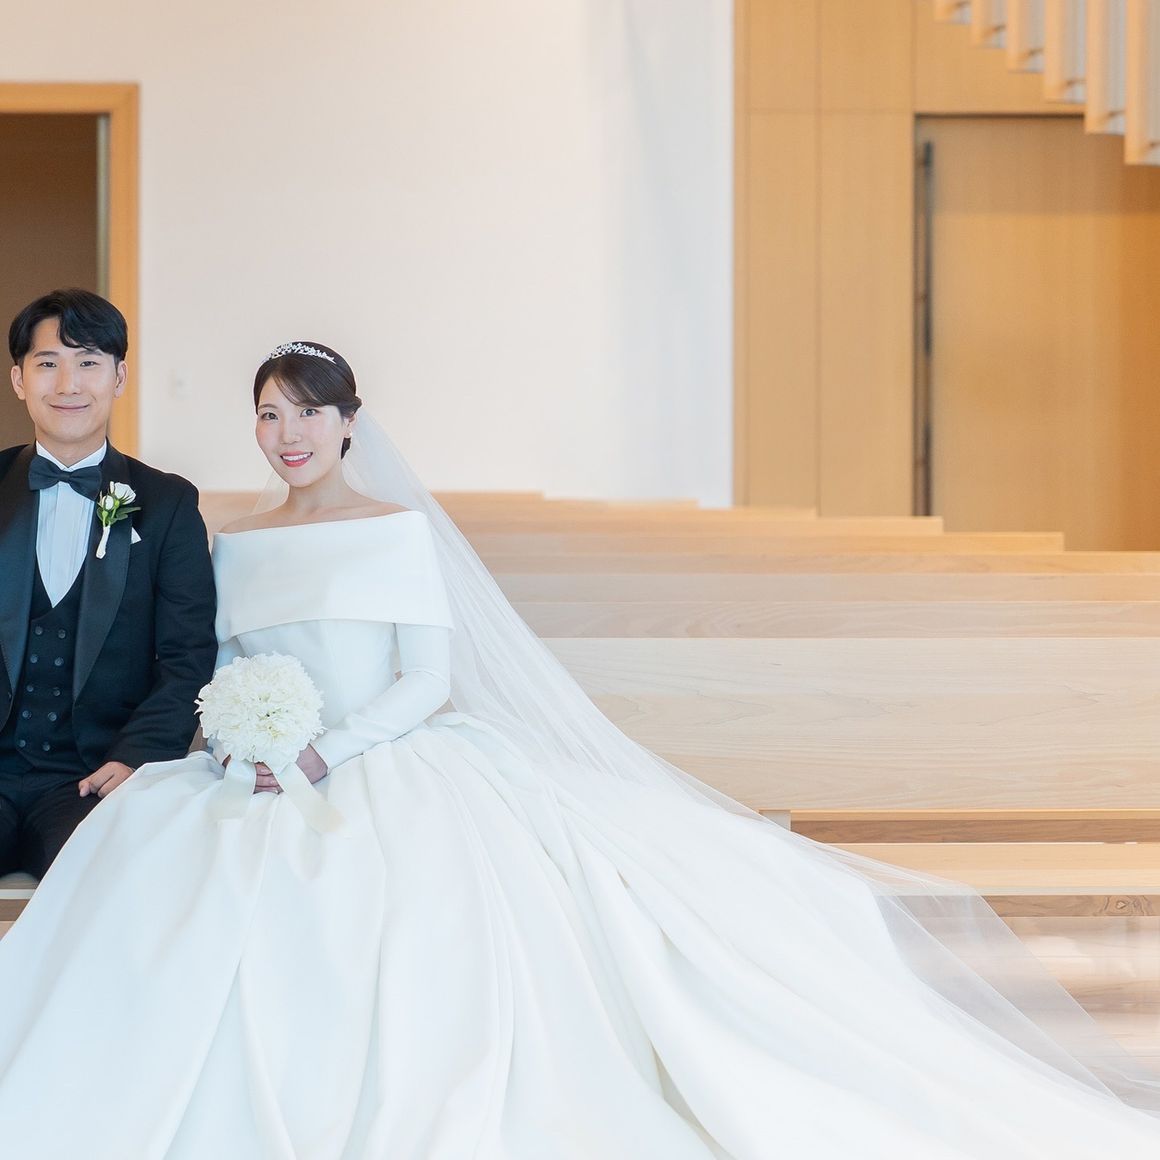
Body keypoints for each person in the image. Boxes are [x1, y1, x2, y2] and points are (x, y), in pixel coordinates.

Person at [0, 340, 1157, 1159]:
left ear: (350, 420)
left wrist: (324, 751)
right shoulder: (236, 538)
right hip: (257, 765)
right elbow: (213, 661)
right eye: (268, 414)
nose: (287, 434)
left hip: (380, 758)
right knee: (153, 858)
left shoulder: (395, 531)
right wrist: (235, 739)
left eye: (307, 411)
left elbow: (424, 680)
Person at [0, 289, 216, 879]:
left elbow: (187, 655)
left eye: (89, 362)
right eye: (48, 363)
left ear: (119, 377)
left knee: (105, 882)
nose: (68, 384)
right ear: (19, 379)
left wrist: (138, 755)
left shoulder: (168, 503)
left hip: (94, 775)